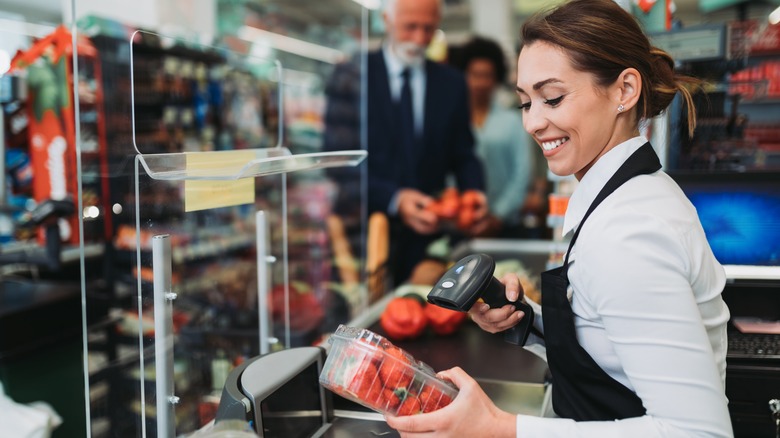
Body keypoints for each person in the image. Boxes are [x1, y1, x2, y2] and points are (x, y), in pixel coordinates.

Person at [385, 0, 733, 436]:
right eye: (525, 103)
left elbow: (699, 432)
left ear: (625, 90)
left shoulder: (628, 234)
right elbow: (612, 346)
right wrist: (527, 321)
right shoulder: (621, 196)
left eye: (552, 98)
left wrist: (500, 427)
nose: (533, 122)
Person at [324, 0, 488, 287]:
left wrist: (474, 194)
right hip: (362, 239)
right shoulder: (352, 76)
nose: (419, 38)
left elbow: (464, 154)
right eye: (410, 27)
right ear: (387, 21)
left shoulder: (451, 83)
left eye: (428, 29)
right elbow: (337, 161)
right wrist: (395, 199)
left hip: (428, 242)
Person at [450, 36, 534, 238]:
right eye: (474, 74)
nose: (480, 82)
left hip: (506, 227)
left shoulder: (512, 120)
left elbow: (522, 172)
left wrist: (497, 215)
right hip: (460, 225)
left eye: (487, 75)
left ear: (496, 77)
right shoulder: (452, 122)